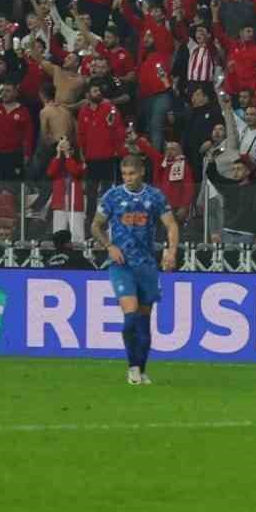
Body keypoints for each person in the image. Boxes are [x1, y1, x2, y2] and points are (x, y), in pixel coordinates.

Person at [92, 153, 178, 385]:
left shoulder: (155, 196)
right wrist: (109, 246)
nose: (127, 178)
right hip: (122, 265)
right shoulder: (112, 196)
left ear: (141, 173)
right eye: (124, 174)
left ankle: (141, 369)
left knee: (143, 321)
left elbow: (171, 224)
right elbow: (96, 225)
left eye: (131, 174)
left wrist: (171, 251)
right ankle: (132, 367)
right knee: (130, 316)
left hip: (147, 265)